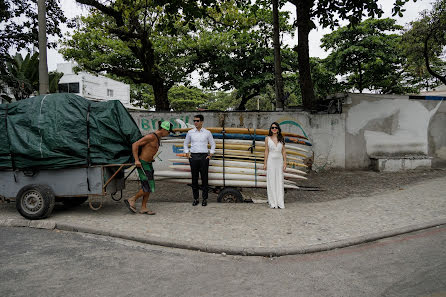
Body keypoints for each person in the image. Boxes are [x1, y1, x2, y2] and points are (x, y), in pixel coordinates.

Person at [124, 120, 173, 215]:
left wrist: (151, 158)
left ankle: (143, 207)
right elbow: (135, 145)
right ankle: (132, 199)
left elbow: (149, 149)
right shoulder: (150, 137)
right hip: (143, 164)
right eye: (168, 131)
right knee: (148, 186)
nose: (169, 133)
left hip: (149, 163)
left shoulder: (158, 138)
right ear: (163, 129)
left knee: (149, 186)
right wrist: (136, 160)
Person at [183, 114, 216, 206]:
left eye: (197, 121)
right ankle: (196, 198)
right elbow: (185, 144)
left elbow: (213, 144)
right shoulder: (190, 132)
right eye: (194, 121)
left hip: (204, 157)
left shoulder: (207, 132)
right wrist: (187, 153)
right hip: (193, 157)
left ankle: (204, 199)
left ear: (202, 122)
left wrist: (211, 154)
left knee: (204, 178)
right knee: (194, 179)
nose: (195, 122)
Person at [263, 122, 287, 209]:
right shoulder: (267, 138)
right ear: (270, 129)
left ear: (278, 129)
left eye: (275, 127)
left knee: (279, 180)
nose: (274, 129)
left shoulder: (282, 138)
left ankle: (280, 202)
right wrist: (265, 163)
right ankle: (273, 202)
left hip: (279, 161)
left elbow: (283, 151)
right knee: (272, 180)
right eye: (272, 127)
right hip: (271, 161)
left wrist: (285, 162)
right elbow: (266, 151)